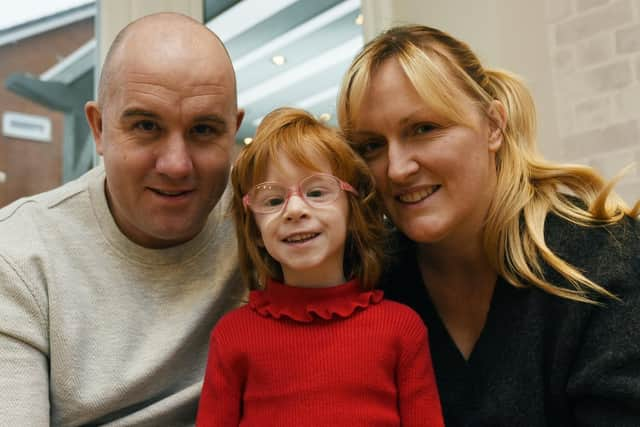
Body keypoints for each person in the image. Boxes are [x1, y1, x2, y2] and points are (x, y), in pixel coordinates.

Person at [338, 24, 640, 426]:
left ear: (493, 125)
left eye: (424, 129)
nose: (397, 169)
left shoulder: (602, 259)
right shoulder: (372, 285)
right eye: (371, 146)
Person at [0, 12, 245, 426]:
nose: (176, 165)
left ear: (233, 133)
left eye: (203, 130)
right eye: (146, 125)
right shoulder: (20, 256)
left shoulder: (273, 227)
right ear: (99, 129)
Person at [195, 107, 444, 427]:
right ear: (254, 229)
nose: (295, 209)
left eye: (316, 192)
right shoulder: (233, 337)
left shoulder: (402, 330)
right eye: (272, 200)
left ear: (353, 211)